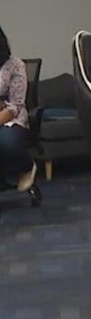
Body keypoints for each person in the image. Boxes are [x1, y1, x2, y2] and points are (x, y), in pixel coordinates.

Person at [0, 25, 35, 193]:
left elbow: (16, 105)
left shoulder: (15, 65)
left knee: (6, 143)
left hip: (11, 119)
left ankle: (27, 167)